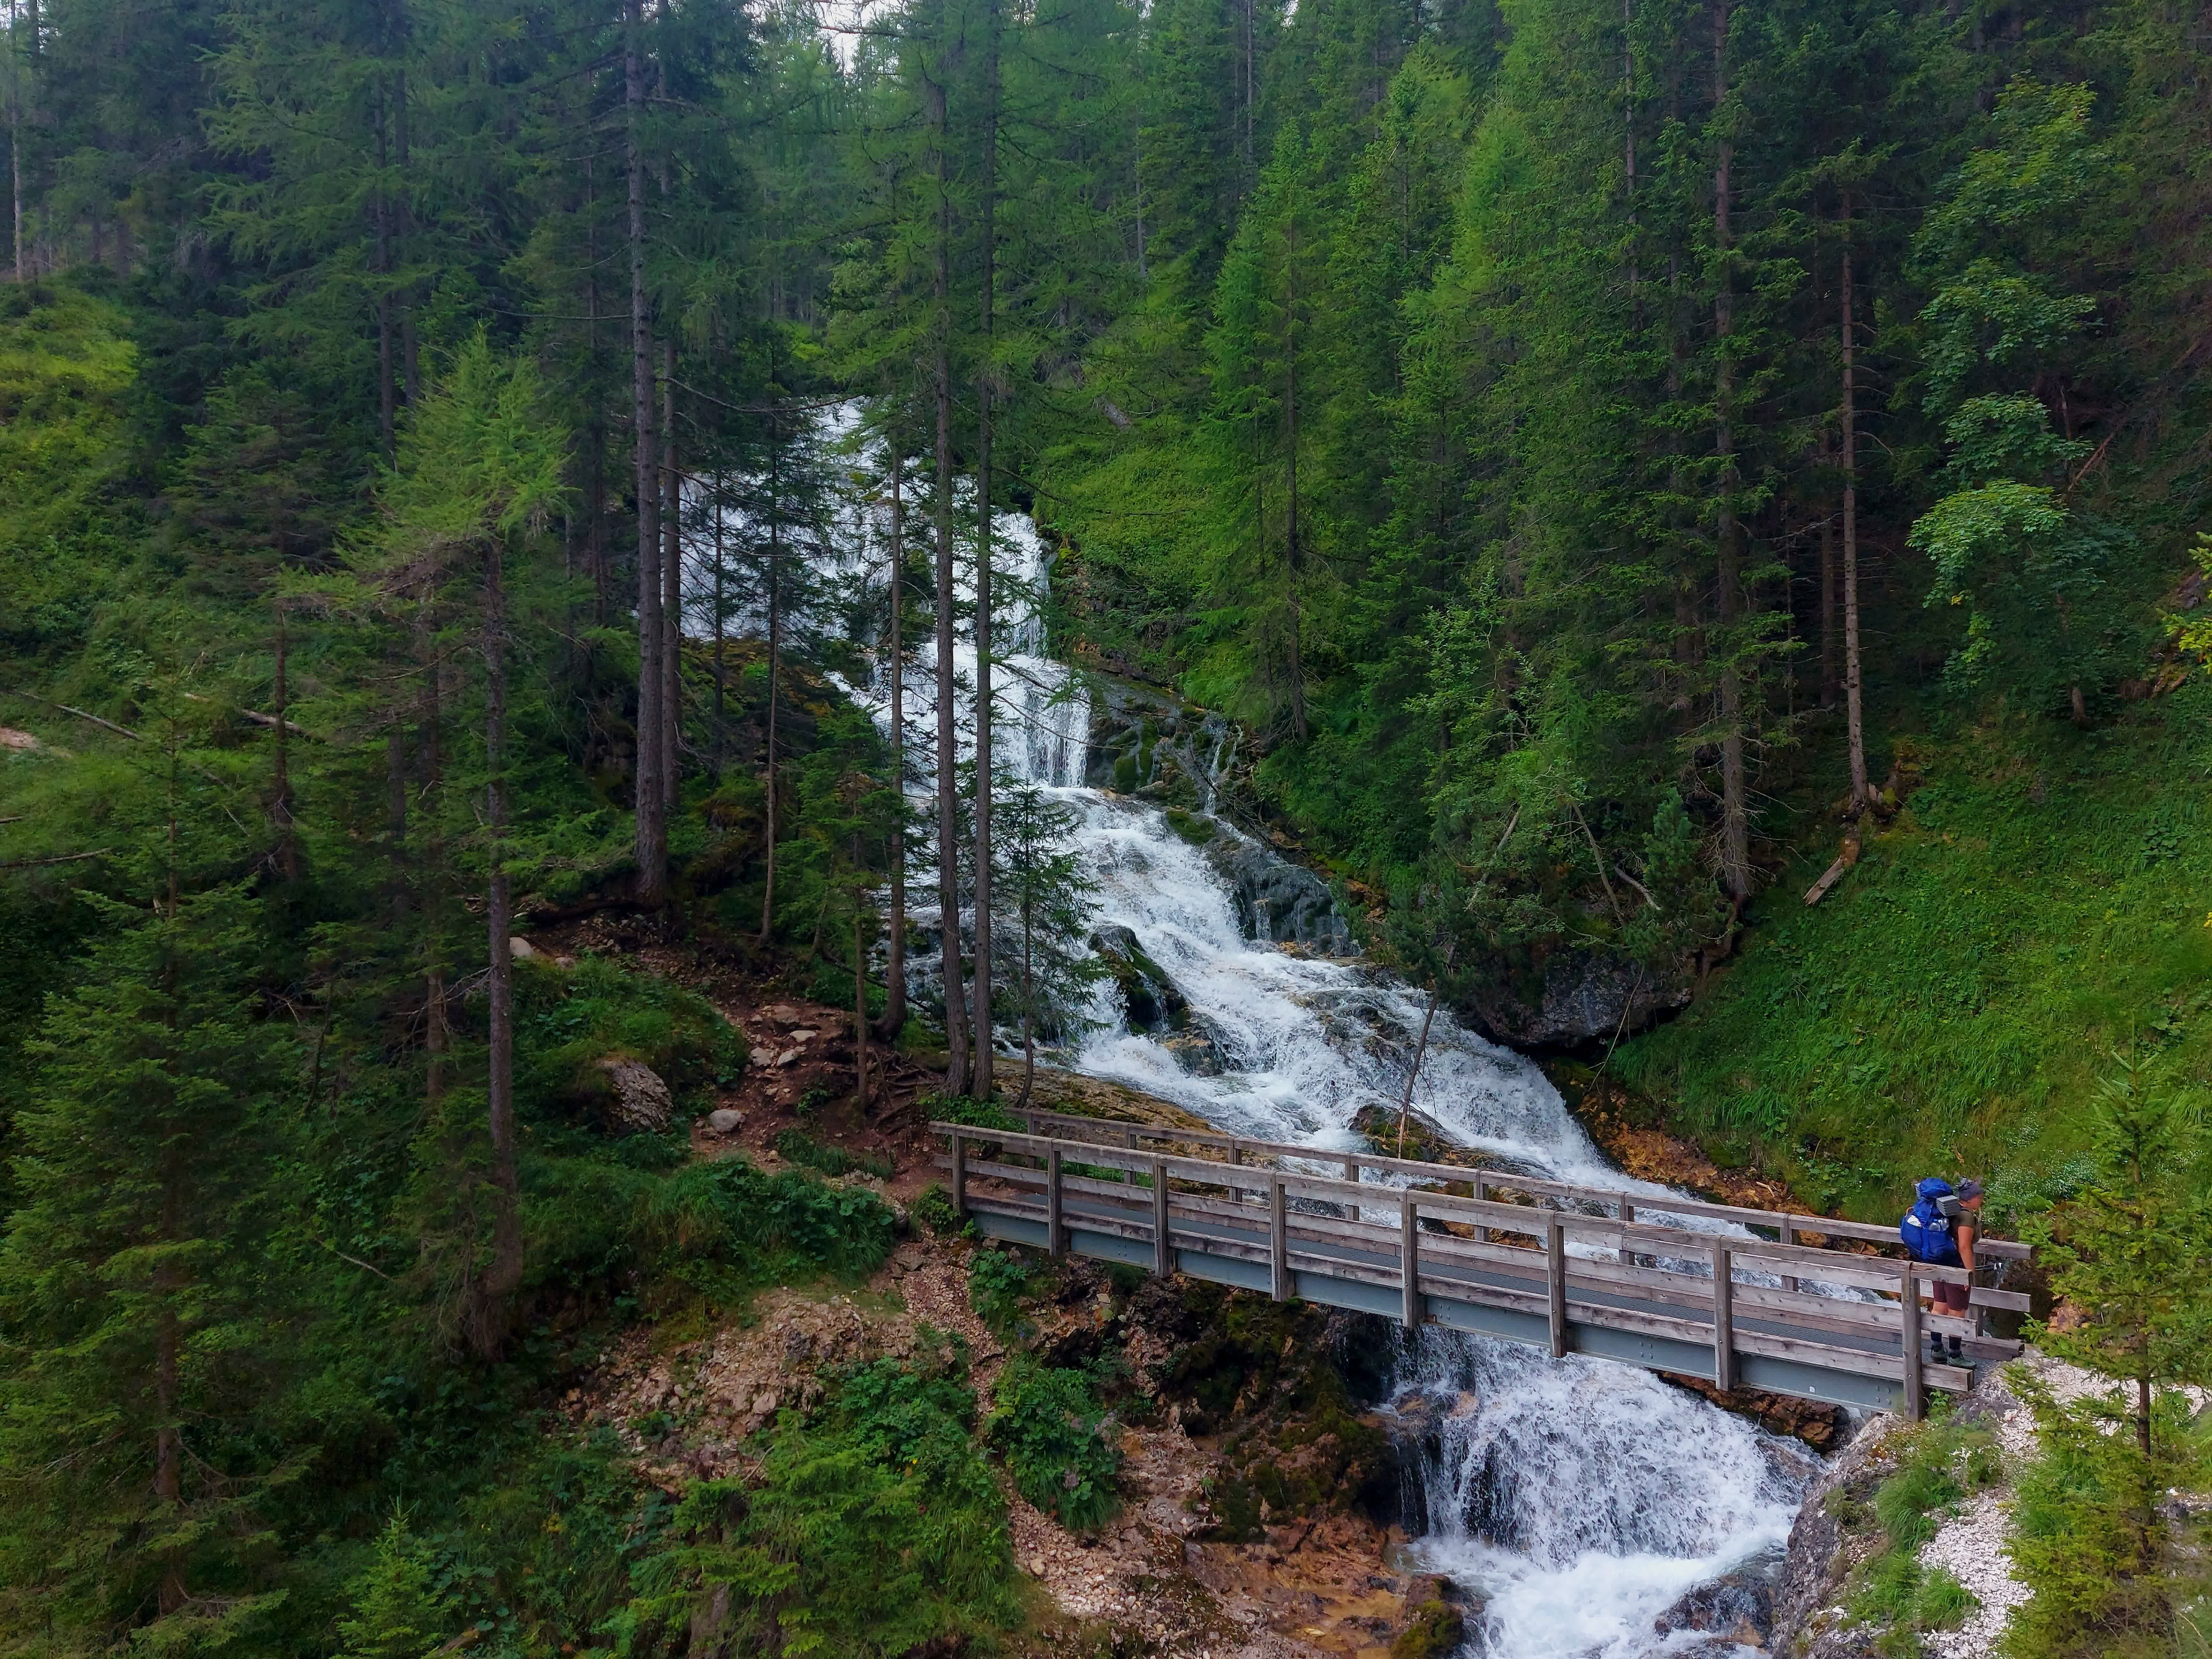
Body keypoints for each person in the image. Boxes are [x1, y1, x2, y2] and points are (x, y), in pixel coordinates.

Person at [1899, 1176, 1982, 1360]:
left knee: (1939, 1307)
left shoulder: (1946, 1211)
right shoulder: (1966, 1216)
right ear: (1971, 1198)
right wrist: (1968, 1275)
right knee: (1957, 1313)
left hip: (1939, 1263)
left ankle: (1937, 1349)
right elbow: (1964, 1247)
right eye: (1980, 1195)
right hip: (1956, 1268)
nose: (1982, 1199)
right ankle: (1955, 1355)